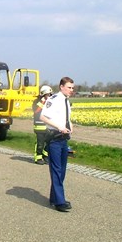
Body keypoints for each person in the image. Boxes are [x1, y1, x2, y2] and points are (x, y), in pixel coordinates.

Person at [39, 77, 75, 212]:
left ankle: (54, 198)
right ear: (61, 87)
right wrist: (59, 127)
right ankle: (60, 201)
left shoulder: (66, 101)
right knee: (56, 170)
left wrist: (70, 126)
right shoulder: (54, 99)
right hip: (55, 138)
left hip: (64, 139)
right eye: (69, 87)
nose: (71, 90)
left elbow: (67, 118)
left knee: (62, 171)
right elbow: (43, 117)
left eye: (72, 88)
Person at [32, 85, 53, 165]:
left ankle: (45, 155)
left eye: (50, 95)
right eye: (48, 94)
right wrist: (43, 101)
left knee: (51, 141)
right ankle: (38, 158)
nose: (49, 96)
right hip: (39, 126)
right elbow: (36, 111)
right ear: (43, 94)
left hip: (48, 127)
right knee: (40, 143)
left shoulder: (50, 102)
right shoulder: (36, 102)